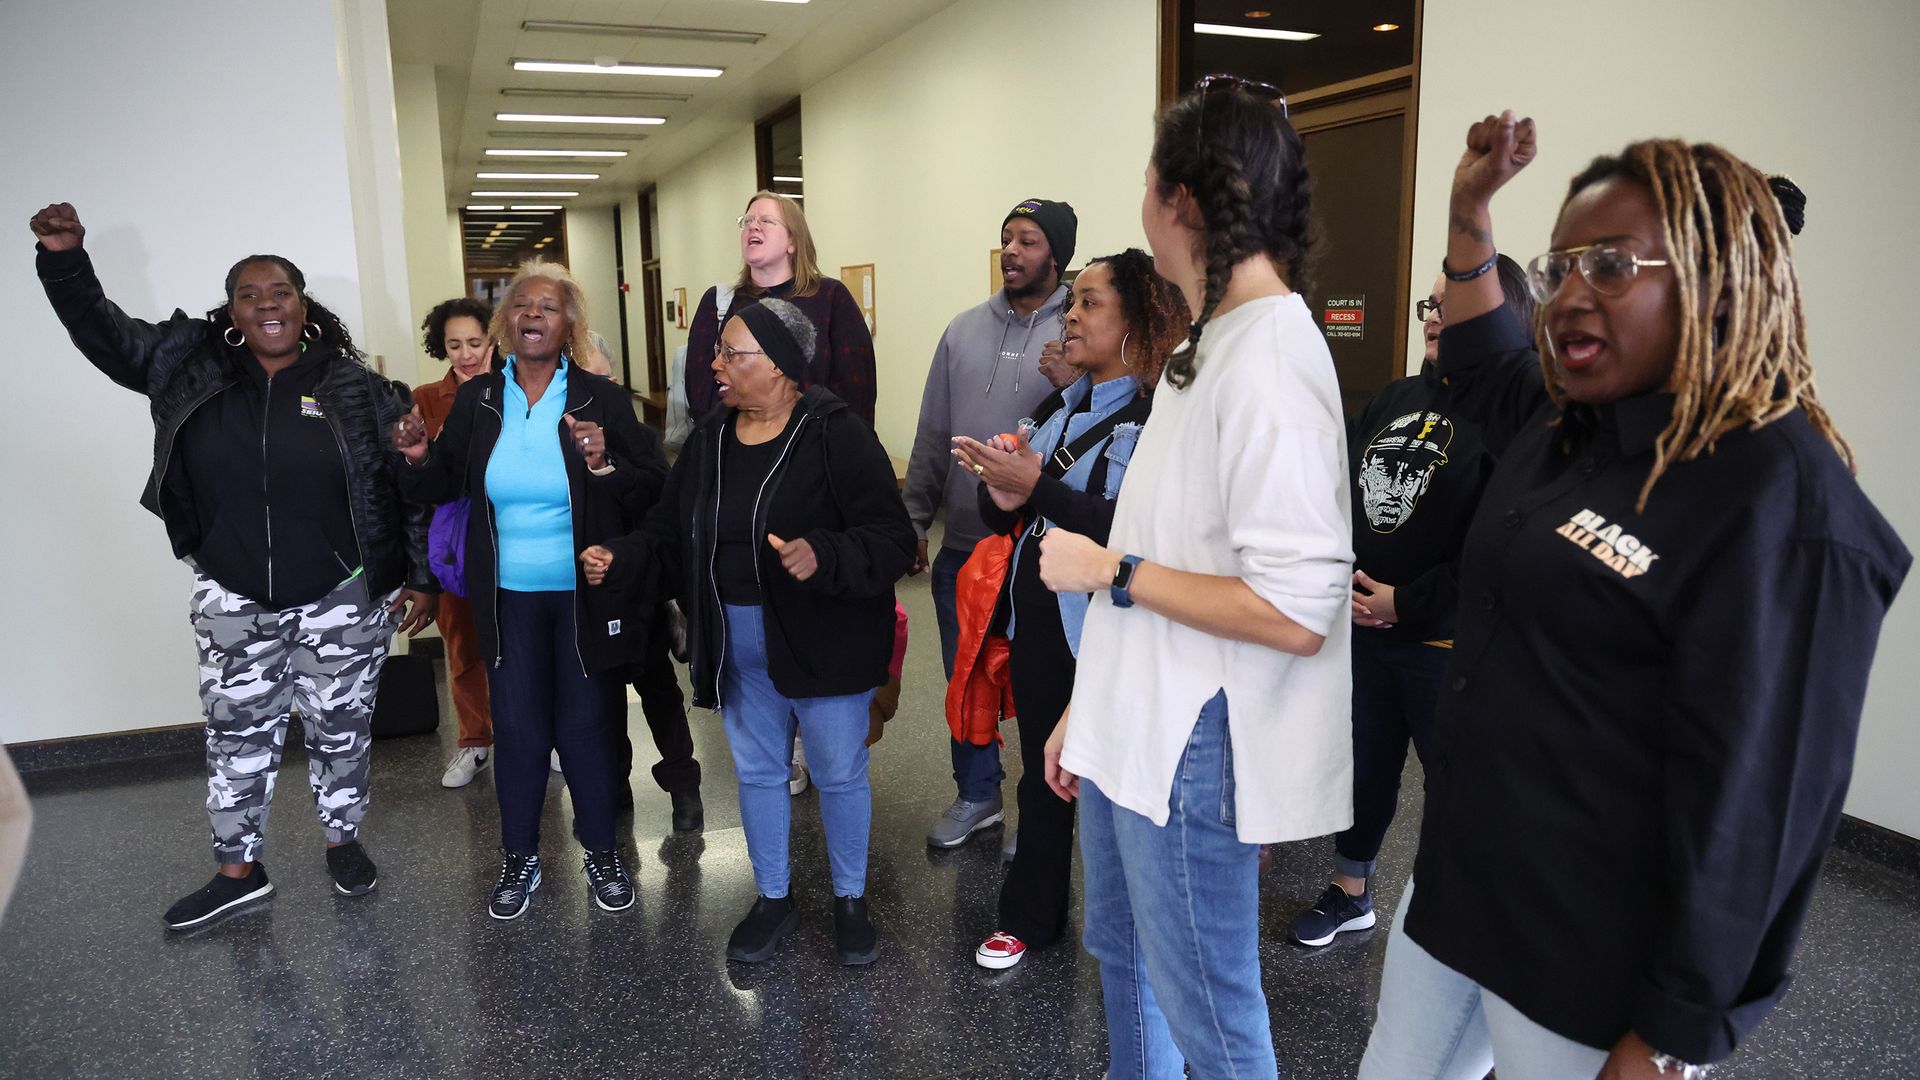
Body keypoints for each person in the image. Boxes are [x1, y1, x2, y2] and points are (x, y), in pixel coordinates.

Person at [1357, 113, 1908, 1080]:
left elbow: (1761, 817)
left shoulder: (1780, 504)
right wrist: (1469, 209)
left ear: (1716, 284)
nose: (1571, 295)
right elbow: (1484, 353)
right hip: (1459, 887)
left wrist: (1668, 1041)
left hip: (1591, 968)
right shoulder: (1574, 423)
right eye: (1561, 265)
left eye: (1612, 266)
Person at [1035, 78, 1353, 1078]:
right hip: (1136, 720)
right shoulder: (1210, 344)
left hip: (1192, 746)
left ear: (1181, 201)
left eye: (1147, 179)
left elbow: (1299, 610)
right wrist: (1086, 710)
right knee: (1128, 964)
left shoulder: (1271, 358)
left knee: (1213, 1016)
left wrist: (1108, 570)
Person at [31, 202, 438, 931]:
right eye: (248, 295)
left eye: (278, 291)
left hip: (341, 598)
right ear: (232, 313)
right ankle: (237, 870)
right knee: (235, 735)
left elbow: (403, 489)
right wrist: (66, 261)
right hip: (233, 594)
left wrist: (420, 574)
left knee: (341, 729)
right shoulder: (191, 369)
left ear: (303, 305)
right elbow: (107, 336)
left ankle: (343, 842)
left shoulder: (359, 389)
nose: (265, 304)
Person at [581, 297, 914, 966]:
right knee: (759, 774)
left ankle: (850, 900)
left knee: (838, 771)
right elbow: (672, 532)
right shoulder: (711, 437)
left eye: (733, 352)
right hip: (735, 640)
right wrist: (625, 556)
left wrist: (823, 553)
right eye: (720, 352)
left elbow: (892, 538)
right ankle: (773, 898)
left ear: (782, 365)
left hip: (826, 637)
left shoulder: (835, 433)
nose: (716, 364)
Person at [392, 260, 667, 921]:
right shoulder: (481, 399)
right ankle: (520, 858)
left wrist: (604, 465)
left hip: (583, 596)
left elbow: (654, 482)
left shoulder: (600, 397)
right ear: (504, 325)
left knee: (587, 728)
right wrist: (418, 457)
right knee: (516, 731)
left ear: (569, 322)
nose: (534, 314)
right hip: (506, 599)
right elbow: (442, 487)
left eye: (548, 306)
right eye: (521, 306)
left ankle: (601, 851)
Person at [951, 249, 1188, 970]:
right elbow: (1009, 522)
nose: (1071, 316)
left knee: (1117, 782)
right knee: (1042, 774)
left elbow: (1130, 530)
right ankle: (1031, 918)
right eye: (1073, 302)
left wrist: (1034, 487)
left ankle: (1143, 937)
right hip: (1039, 622)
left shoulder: (1155, 419)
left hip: (1107, 627)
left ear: (1136, 322)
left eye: (1089, 303)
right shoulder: (1061, 403)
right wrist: (999, 485)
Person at [1287, 259, 1530, 946]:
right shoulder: (1394, 398)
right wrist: (1346, 586)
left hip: (1447, 646)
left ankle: (1476, 922)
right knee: (1363, 769)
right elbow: (1339, 498)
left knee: (1463, 793)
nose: (1431, 315)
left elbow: (1500, 550)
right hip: (1366, 633)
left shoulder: (1511, 420)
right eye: (1428, 303)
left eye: (1449, 306)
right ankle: (1350, 889)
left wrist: (1408, 602)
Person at [903, 197, 1078, 849]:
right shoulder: (963, 329)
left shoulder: (1081, 328)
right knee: (965, 678)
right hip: (966, 549)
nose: (1012, 251)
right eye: (1007, 239)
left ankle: (1044, 800)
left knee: (1039, 684)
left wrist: (1072, 378)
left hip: (1040, 551)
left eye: (1028, 241)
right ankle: (977, 794)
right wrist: (914, 519)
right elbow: (932, 431)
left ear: (1055, 255)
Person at [683, 192, 876, 424]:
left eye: (766, 220)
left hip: (814, 448)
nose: (753, 226)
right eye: (747, 221)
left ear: (793, 242)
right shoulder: (719, 302)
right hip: (736, 450)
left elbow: (856, 391)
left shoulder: (831, 297)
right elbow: (700, 390)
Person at [415, 297, 500, 789]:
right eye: (454, 344)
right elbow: (419, 478)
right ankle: (474, 742)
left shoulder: (517, 388)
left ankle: (544, 736)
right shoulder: (427, 398)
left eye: (475, 342)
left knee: (524, 642)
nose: (466, 354)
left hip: (512, 536)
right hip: (453, 543)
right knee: (463, 645)